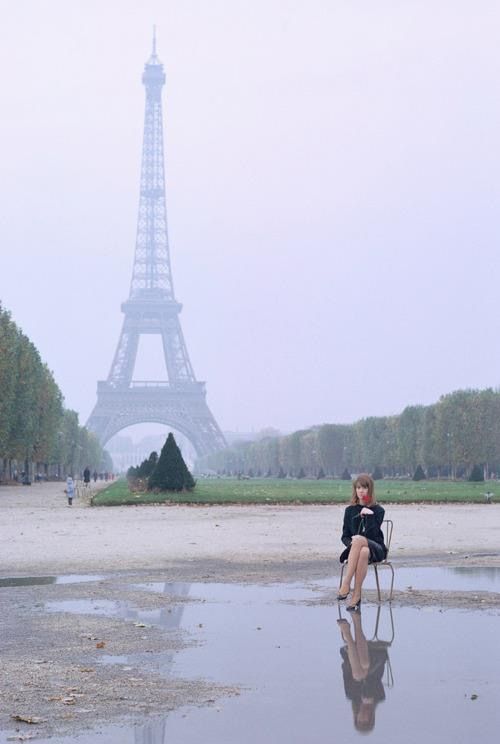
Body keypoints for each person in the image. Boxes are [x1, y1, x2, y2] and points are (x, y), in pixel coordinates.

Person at [337, 474, 387, 611]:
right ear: (355, 490)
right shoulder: (349, 511)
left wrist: (369, 514)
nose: (361, 491)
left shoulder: (378, 510)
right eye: (358, 487)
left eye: (364, 488)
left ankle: (346, 583)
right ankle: (356, 595)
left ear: (369, 490)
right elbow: (345, 536)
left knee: (360, 540)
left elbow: (372, 534)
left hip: (376, 548)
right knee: (363, 550)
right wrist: (353, 545)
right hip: (360, 551)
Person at [337, 611, 389, 732]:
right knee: (364, 665)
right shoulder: (379, 697)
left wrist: (359, 681)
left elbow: (345, 671)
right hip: (375, 658)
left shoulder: (351, 695)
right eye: (366, 720)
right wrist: (368, 693)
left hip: (351, 656)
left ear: (356, 717)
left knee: (358, 673)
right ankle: (348, 630)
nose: (363, 717)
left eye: (360, 720)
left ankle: (355, 623)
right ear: (371, 717)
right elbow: (374, 678)